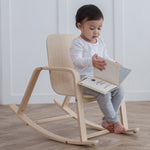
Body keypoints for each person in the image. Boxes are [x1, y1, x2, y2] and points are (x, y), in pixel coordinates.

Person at [70, 4, 126, 134]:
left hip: (100, 78)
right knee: (104, 93)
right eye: (92, 28)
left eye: (99, 28)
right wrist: (91, 62)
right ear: (80, 26)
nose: (96, 32)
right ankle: (115, 121)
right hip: (83, 80)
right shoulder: (77, 43)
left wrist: (114, 63)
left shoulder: (99, 41)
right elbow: (76, 61)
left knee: (119, 90)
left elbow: (105, 57)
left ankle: (107, 120)